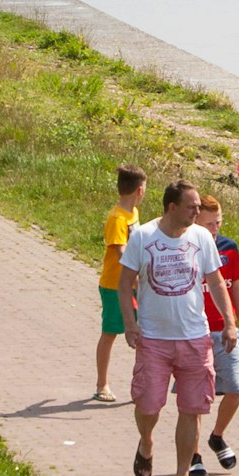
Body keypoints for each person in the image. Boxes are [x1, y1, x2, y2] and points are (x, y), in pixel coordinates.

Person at [118, 180, 237, 476]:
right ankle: (146, 442)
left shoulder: (201, 238)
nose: (197, 212)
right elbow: (124, 282)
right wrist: (131, 325)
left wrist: (230, 323)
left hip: (195, 339)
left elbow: (216, 281)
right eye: (192, 206)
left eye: (198, 207)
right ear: (172, 207)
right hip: (154, 338)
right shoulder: (143, 236)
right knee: (148, 403)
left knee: (192, 408)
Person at [188, 194, 239, 476]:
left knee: (235, 389)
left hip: (226, 330)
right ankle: (193, 455)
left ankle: (218, 436)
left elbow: (235, 287)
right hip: (195, 332)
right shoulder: (187, 247)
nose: (215, 229)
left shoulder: (228, 248)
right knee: (197, 399)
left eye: (219, 223)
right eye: (209, 224)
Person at [94, 164, 147, 402]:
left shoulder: (133, 214)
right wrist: (137, 278)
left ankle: (142, 384)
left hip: (135, 284)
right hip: (115, 285)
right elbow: (121, 251)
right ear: (139, 190)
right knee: (110, 333)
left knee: (144, 333)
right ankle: (101, 384)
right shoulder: (116, 218)